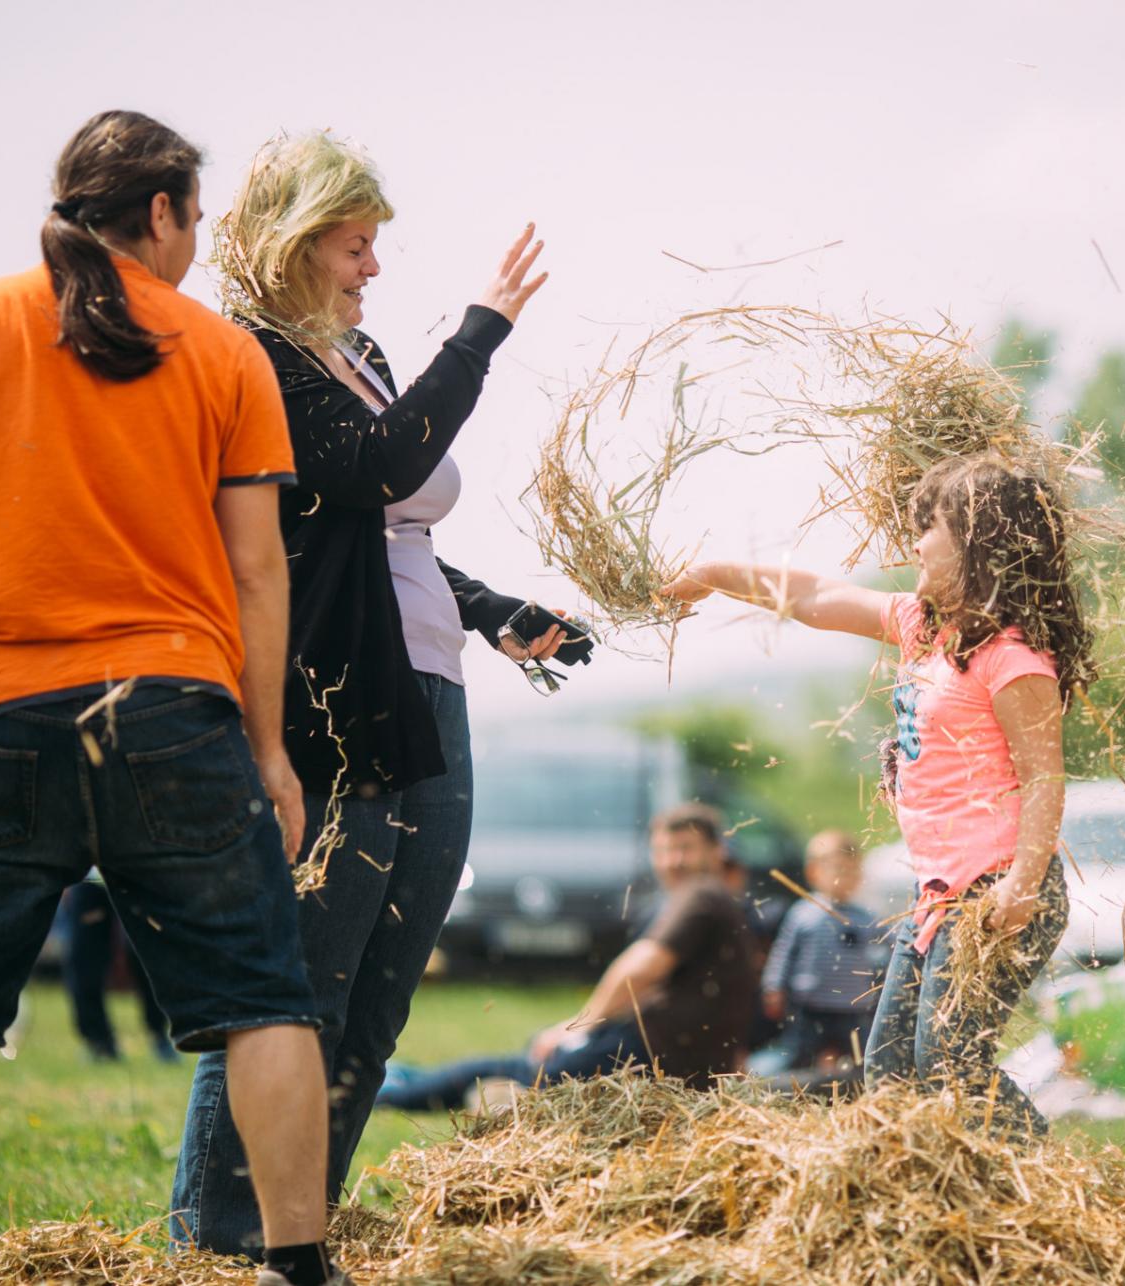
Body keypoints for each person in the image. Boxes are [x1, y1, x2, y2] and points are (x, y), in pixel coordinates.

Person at [0, 111, 341, 1286]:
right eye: (194, 220)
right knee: (264, 998)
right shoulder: (225, 353)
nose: (195, 243)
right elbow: (259, 569)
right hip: (175, 713)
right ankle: (296, 1267)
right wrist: (267, 746)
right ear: (159, 213)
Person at [170, 131, 582, 1257]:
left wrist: (494, 611)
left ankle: (304, 1223)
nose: (373, 269)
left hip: (427, 686)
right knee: (301, 979)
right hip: (331, 703)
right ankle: (217, 1237)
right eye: (357, 246)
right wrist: (481, 333)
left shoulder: (363, 352)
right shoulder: (256, 358)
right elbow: (376, 466)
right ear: (297, 243)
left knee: (382, 992)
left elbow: (389, 535)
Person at [665, 452, 1095, 1139]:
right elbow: (809, 595)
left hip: (998, 894)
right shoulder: (921, 628)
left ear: (978, 545)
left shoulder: (1012, 657)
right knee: (893, 1074)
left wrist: (1023, 881)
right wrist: (716, 575)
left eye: (934, 527)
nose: (917, 542)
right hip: (940, 898)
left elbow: (1045, 777)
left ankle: (1053, 1191)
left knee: (950, 1062)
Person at [375, 804, 759, 1111]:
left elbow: (642, 968)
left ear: (716, 851)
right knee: (526, 1060)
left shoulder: (702, 895)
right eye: (663, 850)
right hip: (654, 1051)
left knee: (511, 1074)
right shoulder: (712, 901)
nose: (673, 860)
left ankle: (383, 1093)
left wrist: (580, 1026)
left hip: (652, 1057)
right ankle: (399, 1078)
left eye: (685, 849)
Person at [750, 830, 886, 1075]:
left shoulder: (866, 918)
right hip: (810, 1002)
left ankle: (861, 1089)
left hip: (854, 1004)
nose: (846, 878)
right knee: (800, 1052)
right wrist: (774, 987)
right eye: (838, 869)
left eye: (853, 870)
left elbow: (886, 948)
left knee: (861, 1054)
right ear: (814, 872)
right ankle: (779, 1084)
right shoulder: (804, 913)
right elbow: (783, 953)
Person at [57, 877, 175, 1064]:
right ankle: (99, 1041)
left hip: (133, 872)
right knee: (84, 957)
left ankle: (160, 1033)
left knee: (146, 954)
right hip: (88, 878)